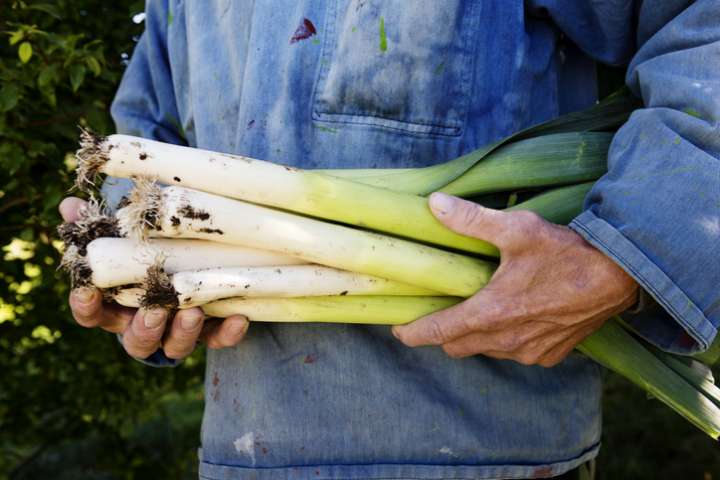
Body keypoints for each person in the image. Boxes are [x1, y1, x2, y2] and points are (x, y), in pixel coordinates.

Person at [59, 1, 720, 478]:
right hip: (242, 449)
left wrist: (625, 252)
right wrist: (147, 290)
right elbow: (146, 148)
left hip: (495, 455)